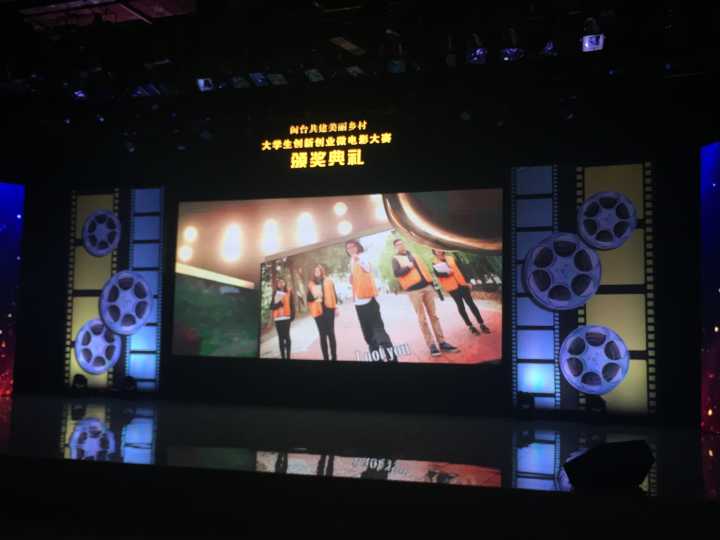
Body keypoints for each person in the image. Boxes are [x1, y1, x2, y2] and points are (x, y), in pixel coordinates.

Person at [391, 238, 459, 357]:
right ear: (395, 247)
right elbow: (396, 273)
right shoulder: (395, 258)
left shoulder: (414, 255)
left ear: (404, 244)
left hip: (427, 287)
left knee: (434, 316)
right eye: (398, 245)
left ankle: (442, 342)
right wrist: (408, 267)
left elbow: (424, 269)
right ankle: (431, 345)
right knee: (422, 319)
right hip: (414, 291)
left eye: (402, 243)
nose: (400, 245)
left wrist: (431, 284)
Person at [346, 239, 396, 362]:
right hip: (358, 303)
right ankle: (376, 359)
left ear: (357, 246)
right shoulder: (351, 261)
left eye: (352, 246)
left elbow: (368, 269)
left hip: (369, 300)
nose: (350, 249)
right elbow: (357, 278)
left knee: (379, 332)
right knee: (368, 335)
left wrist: (359, 259)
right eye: (348, 248)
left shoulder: (363, 256)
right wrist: (351, 279)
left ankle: (392, 358)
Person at [432, 249, 491, 335]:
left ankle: (482, 324)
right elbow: (438, 275)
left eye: (439, 249)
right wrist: (447, 274)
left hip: (462, 284)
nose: (438, 251)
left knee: (471, 304)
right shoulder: (434, 263)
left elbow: (462, 269)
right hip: (452, 288)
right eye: (436, 250)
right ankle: (470, 326)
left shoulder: (451, 258)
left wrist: (468, 282)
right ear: (434, 251)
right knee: (461, 306)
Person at [307, 264, 338, 361]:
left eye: (318, 270)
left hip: (329, 309)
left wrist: (336, 307)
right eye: (315, 271)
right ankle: (326, 358)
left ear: (321, 271)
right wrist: (315, 295)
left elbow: (334, 295)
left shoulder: (328, 281)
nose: (317, 272)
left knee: (331, 333)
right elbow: (308, 298)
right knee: (322, 335)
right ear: (313, 273)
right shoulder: (311, 283)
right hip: (318, 312)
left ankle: (334, 357)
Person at [270, 278, 294, 359]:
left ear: (285, 283)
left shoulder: (289, 292)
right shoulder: (275, 293)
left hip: (286, 317)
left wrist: (292, 316)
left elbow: (292, 304)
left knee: (287, 337)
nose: (280, 284)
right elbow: (271, 307)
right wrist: (279, 303)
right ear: (277, 285)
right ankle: (283, 356)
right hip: (278, 319)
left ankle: (288, 356)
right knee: (280, 338)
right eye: (279, 282)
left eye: (282, 282)